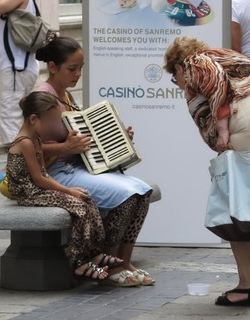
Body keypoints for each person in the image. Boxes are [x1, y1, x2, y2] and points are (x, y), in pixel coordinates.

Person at [35, 35, 155, 287]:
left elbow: (79, 137)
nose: (78, 74)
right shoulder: (42, 97)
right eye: (72, 68)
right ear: (53, 67)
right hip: (58, 172)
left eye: (81, 68)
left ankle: (124, 261)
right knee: (127, 195)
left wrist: (118, 135)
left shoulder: (64, 95)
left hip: (78, 166)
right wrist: (65, 146)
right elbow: (26, 146)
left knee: (143, 192)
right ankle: (109, 264)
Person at [164, 36, 250, 306]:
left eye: (173, 78)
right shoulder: (226, 56)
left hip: (243, 133)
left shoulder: (195, 63)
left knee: (238, 213)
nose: (178, 84)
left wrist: (222, 130)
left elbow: (217, 84)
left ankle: (247, 285)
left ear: (177, 68)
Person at [6, 91, 125, 281]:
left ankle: (93, 253)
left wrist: (73, 192)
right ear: (34, 119)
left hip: (38, 189)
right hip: (28, 192)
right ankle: (78, 261)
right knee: (77, 206)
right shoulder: (25, 142)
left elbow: (43, 174)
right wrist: (69, 191)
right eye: (52, 122)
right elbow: (38, 179)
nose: (55, 128)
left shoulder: (36, 139)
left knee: (87, 200)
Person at [0, 0, 39, 182]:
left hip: (18, 69)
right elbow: (10, 32)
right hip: (17, 66)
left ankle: (13, 167)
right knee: (16, 116)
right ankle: (20, 163)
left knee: (10, 115)